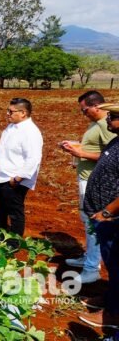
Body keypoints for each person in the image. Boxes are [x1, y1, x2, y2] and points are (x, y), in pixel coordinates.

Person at [59, 91, 113, 284]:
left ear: (96, 106)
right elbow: (98, 149)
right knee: (87, 220)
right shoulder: (96, 123)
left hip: (93, 181)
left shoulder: (106, 125)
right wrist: (78, 149)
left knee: (93, 222)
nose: (83, 114)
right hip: (86, 178)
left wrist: (81, 153)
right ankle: (89, 257)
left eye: (85, 110)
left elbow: (111, 156)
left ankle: (92, 267)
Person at [78, 103, 119, 330]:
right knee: (112, 264)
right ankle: (110, 299)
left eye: (113, 116)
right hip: (104, 214)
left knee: (117, 264)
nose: (108, 119)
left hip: (112, 217)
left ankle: (114, 314)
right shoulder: (115, 141)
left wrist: (107, 211)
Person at [0, 98, 43, 236]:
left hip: (14, 179)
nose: (7, 113)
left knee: (14, 212)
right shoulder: (12, 126)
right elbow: (8, 144)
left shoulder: (30, 132)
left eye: (11, 111)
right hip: (3, 176)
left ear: (23, 113)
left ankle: (13, 242)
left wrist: (18, 178)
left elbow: (33, 158)